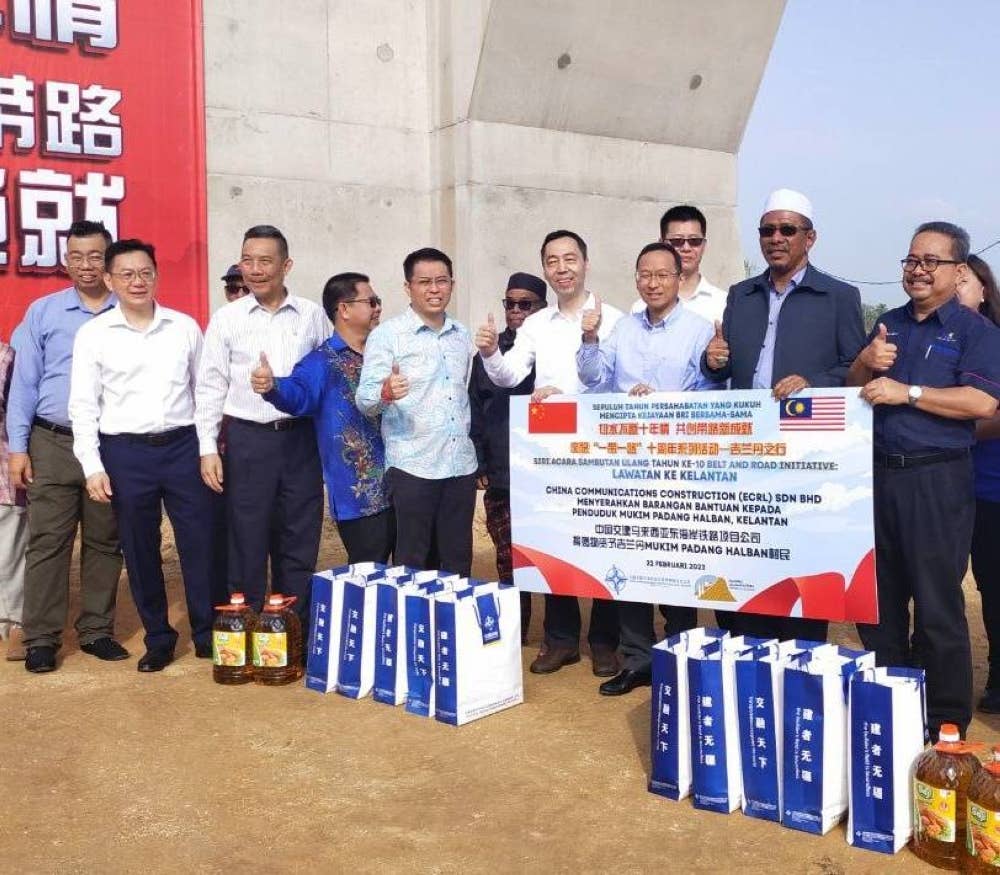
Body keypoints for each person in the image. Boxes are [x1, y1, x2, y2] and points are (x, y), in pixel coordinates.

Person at [850, 221, 1000, 739]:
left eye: (931, 261)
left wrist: (908, 392)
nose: (918, 269)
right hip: (878, 480)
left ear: (959, 270)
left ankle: (946, 724)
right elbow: (854, 391)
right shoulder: (887, 324)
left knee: (937, 607)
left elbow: (981, 403)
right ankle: (894, 708)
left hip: (938, 481)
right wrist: (864, 364)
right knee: (879, 603)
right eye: (911, 260)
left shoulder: (976, 332)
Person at [702, 188, 865, 643]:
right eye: (768, 230)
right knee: (745, 564)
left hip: (805, 457)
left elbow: (855, 369)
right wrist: (712, 360)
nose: (776, 238)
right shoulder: (742, 295)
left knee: (801, 566)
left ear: (809, 238)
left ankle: (799, 659)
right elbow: (723, 367)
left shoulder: (838, 296)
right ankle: (744, 654)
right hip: (746, 454)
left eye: (787, 230)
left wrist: (814, 384)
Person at [68, 239, 227, 672]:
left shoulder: (184, 327)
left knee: (199, 543)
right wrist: (93, 465)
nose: (137, 282)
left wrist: (207, 447)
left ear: (156, 275)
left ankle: (205, 632)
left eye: (145, 273)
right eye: (126, 274)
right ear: (108, 280)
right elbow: (82, 405)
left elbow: (205, 392)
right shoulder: (94, 335)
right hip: (124, 453)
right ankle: (158, 637)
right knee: (140, 549)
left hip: (182, 447)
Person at [475, 230, 623, 678]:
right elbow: (508, 374)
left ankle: (604, 642)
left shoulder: (615, 319)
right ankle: (561, 641)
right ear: (545, 269)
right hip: (550, 456)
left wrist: (572, 398)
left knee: (601, 547)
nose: (562, 268)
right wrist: (487, 353)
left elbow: (613, 382)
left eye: (570, 259)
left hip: (600, 453)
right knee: (554, 544)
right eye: (553, 261)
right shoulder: (537, 325)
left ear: (586, 263)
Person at [579, 241, 720, 695]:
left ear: (680, 279)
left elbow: (710, 395)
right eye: (645, 274)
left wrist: (662, 407)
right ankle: (638, 658)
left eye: (662, 274)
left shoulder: (700, 330)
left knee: (680, 563)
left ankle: (680, 655)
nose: (653, 282)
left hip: (680, 468)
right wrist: (589, 339)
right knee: (629, 562)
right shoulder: (622, 327)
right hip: (627, 468)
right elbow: (595, 379)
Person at [196, 225, 328, 638]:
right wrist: (207, 448)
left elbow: (327, 378)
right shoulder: (227, 319)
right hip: (248, 441)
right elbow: (210, 385)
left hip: (300, 441)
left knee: (298, 540)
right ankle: (245, 635)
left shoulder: (311, 316)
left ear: (286, 266)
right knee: (246, 542)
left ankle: (292, 635)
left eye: (265, 261)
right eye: (247, 260)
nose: (254, 269)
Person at [7, 220, 125, 674]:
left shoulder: (130, 311)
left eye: (95, 256)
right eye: (76, 257)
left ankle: (96, 631)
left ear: (110, 260)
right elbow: (24, 384)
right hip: (52, 441)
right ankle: (41, 638)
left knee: (104, 539)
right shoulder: (44, 312)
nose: (86, 266)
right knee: (48, 541)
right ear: (65, 261)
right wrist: (19, 448)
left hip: (110, 445)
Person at [251, 272, 394, 563]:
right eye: (371, 301)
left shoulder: (386, 354)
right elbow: (298, 393)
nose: (378, 307)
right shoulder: (323, 361)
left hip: (403, 484)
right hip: (360, 495)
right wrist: (272, 386)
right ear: (344, 309)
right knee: (370, 575)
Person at [356, 247, 478, 576]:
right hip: (412, 467)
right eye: (424, 282)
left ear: (452, 284)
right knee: (413, 562)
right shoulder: (387, 336)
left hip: (459, 466)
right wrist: (385, 392)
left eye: (441, 281)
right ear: (408, 287)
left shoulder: (462, 335)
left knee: (457, 562)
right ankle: (414, 628)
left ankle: (450, 627)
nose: (434, 289)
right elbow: (365, 399)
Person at [469, 271, 547, 643]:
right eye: (510, 303)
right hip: (502, 472)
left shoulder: (551, 345)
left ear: (542, 307)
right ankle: (516, 632)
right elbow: (476, 407)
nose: (516, 311)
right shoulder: (489, 352)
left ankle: (559, 636)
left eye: (525, 304)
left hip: (546, 472)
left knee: (548, 556)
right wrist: (481, 462)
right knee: (508, 558)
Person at [955, 254, 1000, 712]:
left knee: (993, 585)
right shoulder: (927, 341)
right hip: (945, 484)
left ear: (985, 290)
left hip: (990, 485)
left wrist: (950, 426)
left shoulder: (993, 342)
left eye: (965, 282)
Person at [630, 205, 726, 323]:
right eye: (677, 241)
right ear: (662, 243)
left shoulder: (723, 304)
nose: (686, 248)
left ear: (704, 245)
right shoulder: (640, 307)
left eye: (694, 241)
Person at [0, 337, 28, 660]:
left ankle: (15, 625)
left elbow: (17, 411)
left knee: (9, 549)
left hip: (5, 467)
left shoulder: (7, 356)